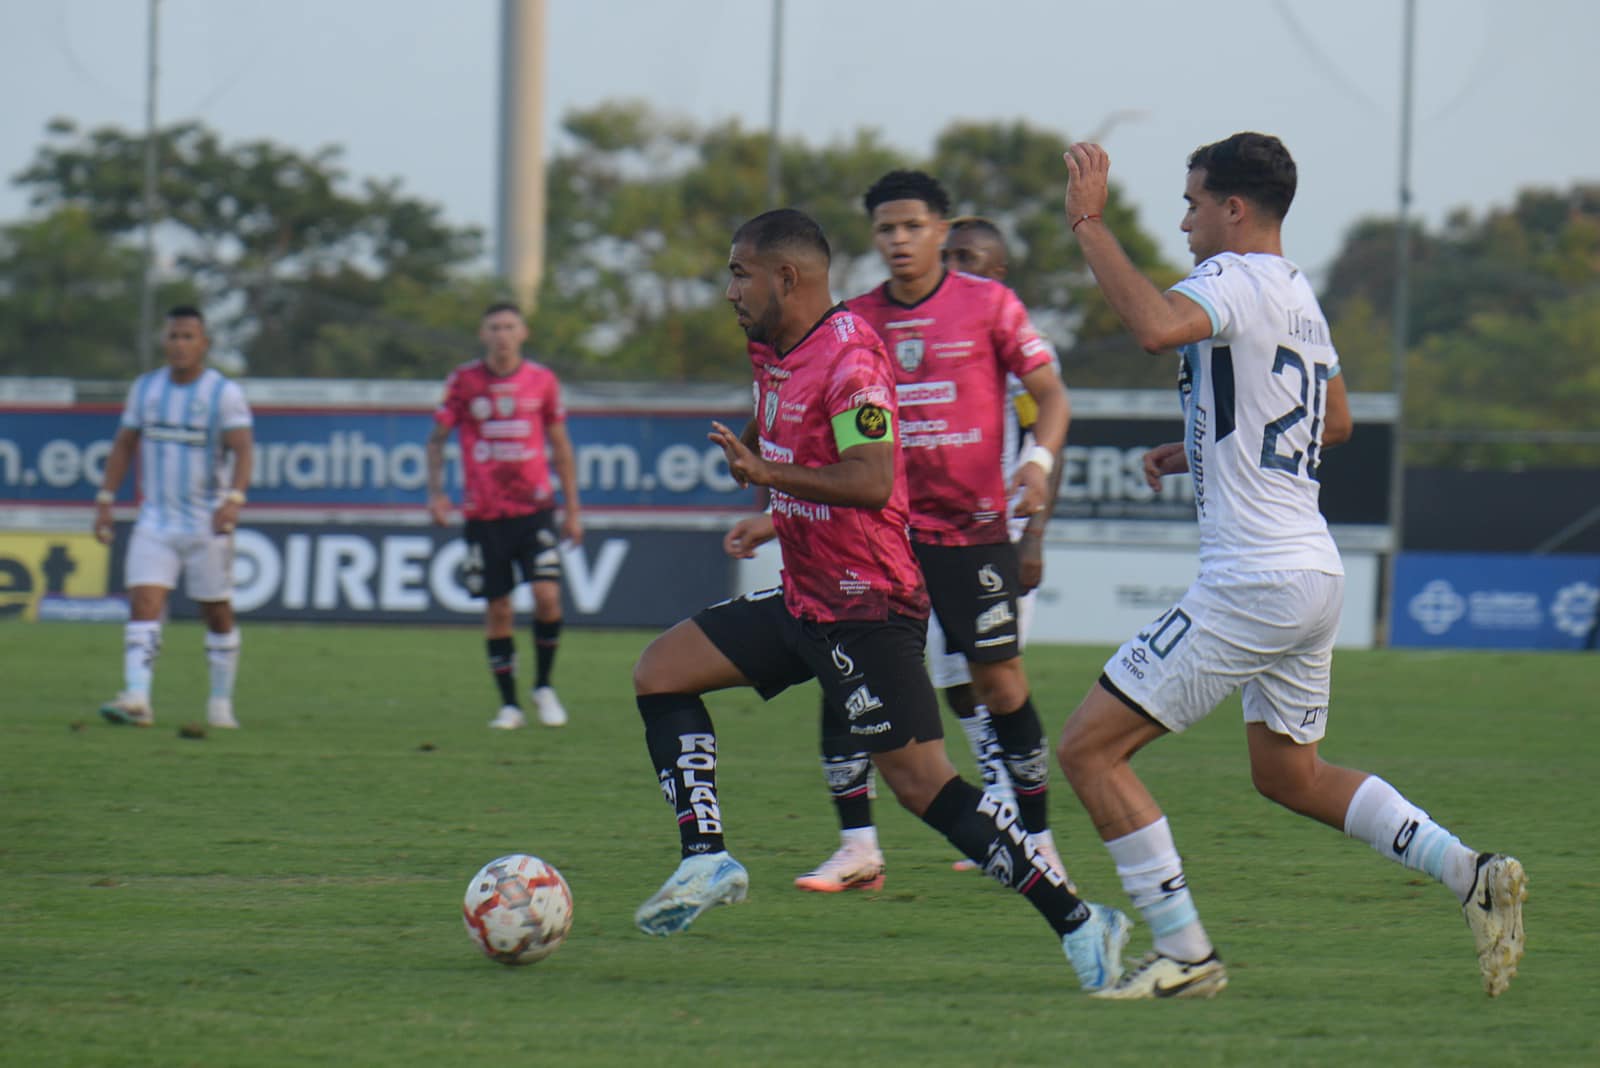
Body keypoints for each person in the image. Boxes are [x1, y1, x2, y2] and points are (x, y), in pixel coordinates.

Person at [1054, 132, 1526, 1000]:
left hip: (1255, 577)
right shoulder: (1298, 294)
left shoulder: (1232, 279)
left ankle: (1186, 955)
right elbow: (1333, 419)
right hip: (1314, 574)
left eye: (1194, 201)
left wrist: (1089, 223)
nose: (1185, 218)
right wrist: (1202, 448)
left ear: (1236, 209)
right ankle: (1472, 872)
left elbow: (1158, 328)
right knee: (1288, 774)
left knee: (1088, 750)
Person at [632, 207, 1129, 993]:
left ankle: (1080, 919)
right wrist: (772, 507)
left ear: (784, 278)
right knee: (660, 671)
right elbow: (800, 455)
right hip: (805, 598)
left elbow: (869, 479)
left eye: (738, 273)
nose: (729, 290)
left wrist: (770, 478)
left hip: (870, 609)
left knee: (922, 786)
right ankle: (707, 858)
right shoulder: (770, 349)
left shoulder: (853, 362)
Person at [792, 171, 1072, 895]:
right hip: (879, 536)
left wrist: (1038, 461)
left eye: (913, 226)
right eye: (886, 229)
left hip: (972, 531)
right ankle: (858, 845)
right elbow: (830, 430)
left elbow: (1050, 396)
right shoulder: (852, 323)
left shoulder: (990, 306)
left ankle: (1038, 839)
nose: (899, 241)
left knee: (999, 684)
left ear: (942, 231)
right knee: (847, 675)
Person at [94, 305, 254, 730]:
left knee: (216, 612)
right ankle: (137, 697)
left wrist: (234, 498)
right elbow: (125, 443)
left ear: (204, 344)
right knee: (144, 602)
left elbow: (243, 448)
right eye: (173, 337)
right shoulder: (146, 389)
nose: (179, 345)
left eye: (188, 337)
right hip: (156, 520)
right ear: (163, 342)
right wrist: (107, 499)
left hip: (206, 522)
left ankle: (220, 702)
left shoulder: (223, 393)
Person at [427, 302, 582, 730]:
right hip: (485, 513)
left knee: (547, 596)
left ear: (523, 333)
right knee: (498, 608)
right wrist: (437, 494)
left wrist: (573, 511)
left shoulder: (542, 381)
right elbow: (436, 439)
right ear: (483, 334)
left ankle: (544, 686)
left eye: (509, 327)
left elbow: (561, 447)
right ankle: (510, 704)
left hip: (535, 509)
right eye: (494, 327)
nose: (502, 334)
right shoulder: (464, 381)